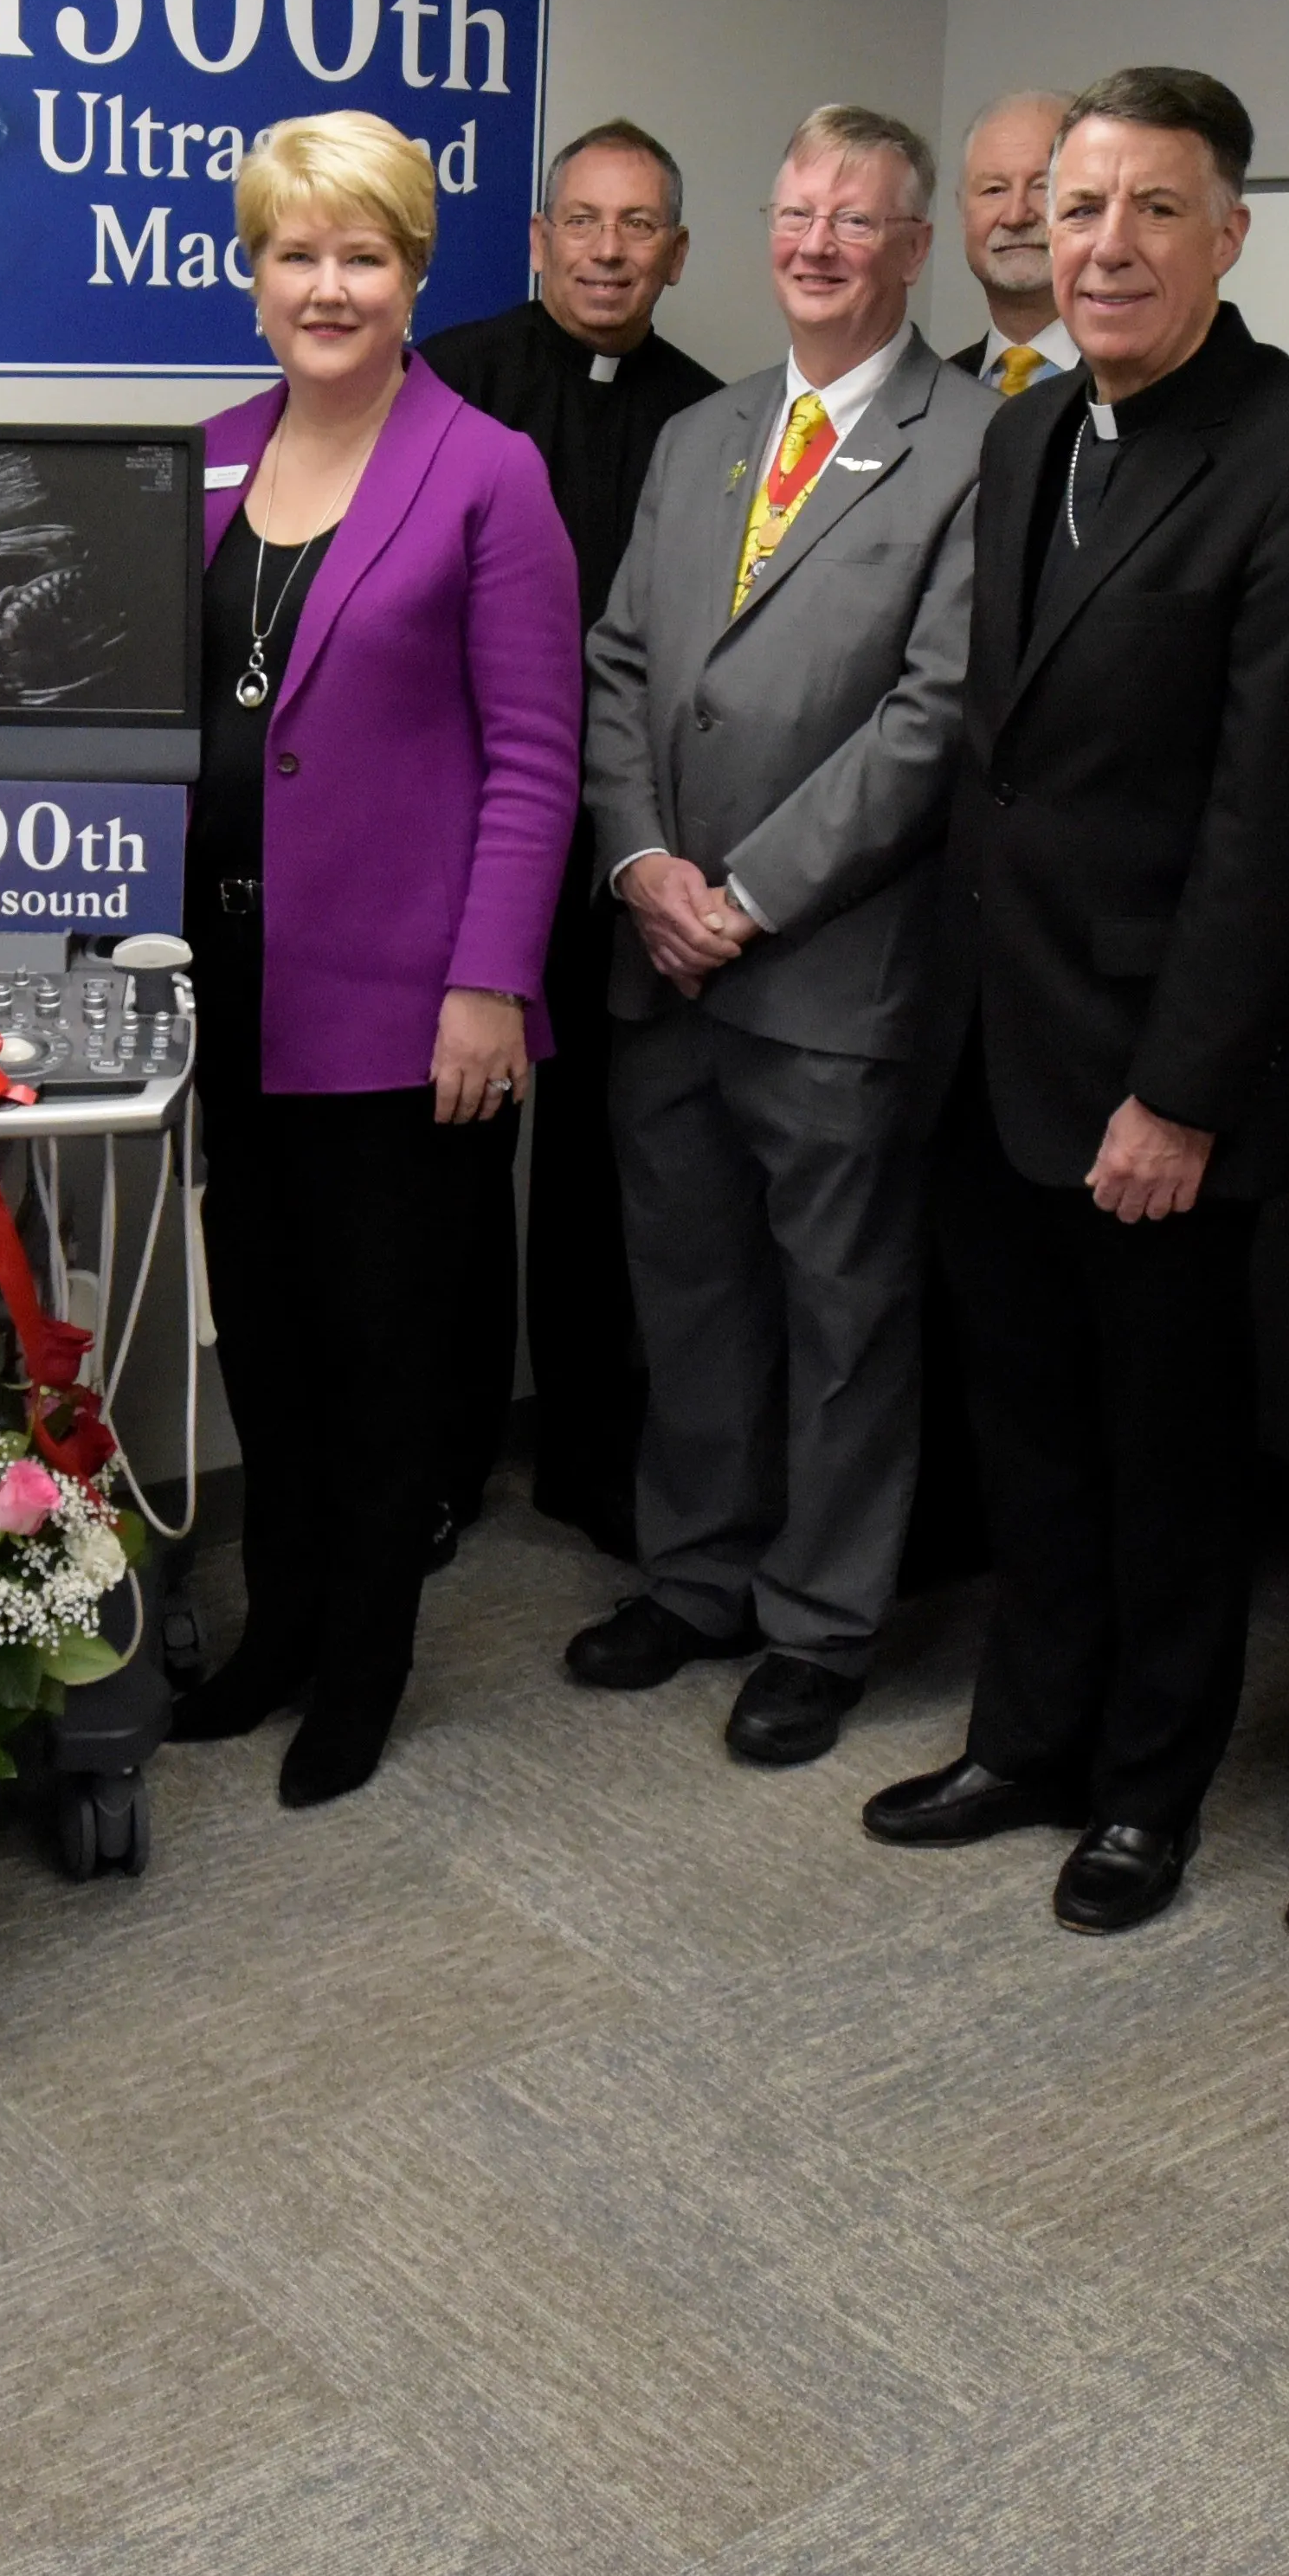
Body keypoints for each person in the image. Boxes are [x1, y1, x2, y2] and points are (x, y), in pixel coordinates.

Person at [866, 67, 1289, 1929]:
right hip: (994, 1045)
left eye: (1150, 212)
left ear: (1229, 233)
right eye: (1075, 211)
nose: (1101, 247)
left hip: (1156, 1080)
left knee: (1170, 1455)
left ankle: (1146, 1790)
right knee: (1027, 1428)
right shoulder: (1032, 433)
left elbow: (1284, 823)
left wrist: (1180, 1092)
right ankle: (1031, 1736)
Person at [164, 111, 581, 1809]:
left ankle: (364, 1663)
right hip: (232, 1001)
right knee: (259, 1340)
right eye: (294, 251)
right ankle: (277, 1623)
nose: (324, 285)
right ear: (251, 272)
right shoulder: (198, 455)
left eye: (362, 253)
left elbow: (537, 753)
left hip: (410, 1017)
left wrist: (488, 983)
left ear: (412, 272)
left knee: (385, 1356)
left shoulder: (488, 469)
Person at [566, 108, 989, 1768]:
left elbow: (933, 712)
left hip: (827, 968)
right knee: (688, 1294)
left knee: (840, 1316)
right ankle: (697, 1573)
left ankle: (819, 1620)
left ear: (913, 245)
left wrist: (743, 894)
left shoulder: (973, 445)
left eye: (854, 218)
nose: (814, 241)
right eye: (794, 210)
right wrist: (643, 865)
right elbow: (613, 666)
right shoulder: (702, 436)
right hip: (656, 952)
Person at [423, 119, 725, 1560]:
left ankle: (594, 1453)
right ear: (537, 239)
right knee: (453, 1153)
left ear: (674, 251)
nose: (608, 250)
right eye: (583, 222)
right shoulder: (448, 383)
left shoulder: (714, 420)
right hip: (470, 838)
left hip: (628, 850)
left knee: (616, 1161)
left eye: (639, 225)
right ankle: (441, 1451)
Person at [944, 92, 1079, 396]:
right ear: (963, 210)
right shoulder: (940, 389)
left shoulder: (1140, 381)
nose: (1016, 215)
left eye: (1044, 188)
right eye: (994, 190)